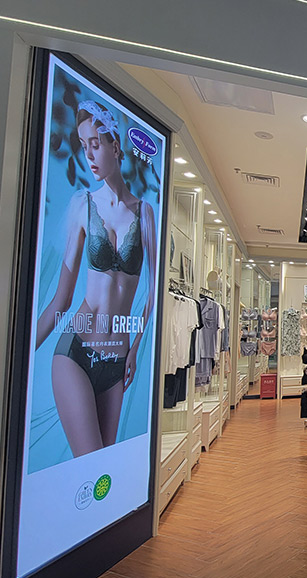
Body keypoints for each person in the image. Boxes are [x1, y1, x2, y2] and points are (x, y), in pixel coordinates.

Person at [35, 100, 157, 458]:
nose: (88, 154)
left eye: (95, 144)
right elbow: (61, 299)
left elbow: (153, 291)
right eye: (83, 145)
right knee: (88, 462)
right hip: (75, 352)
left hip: (117, 361)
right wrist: (23, 354)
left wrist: (136, 347)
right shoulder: (82, 205)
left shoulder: (145, 213)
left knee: (103, 468)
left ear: (115, 146)